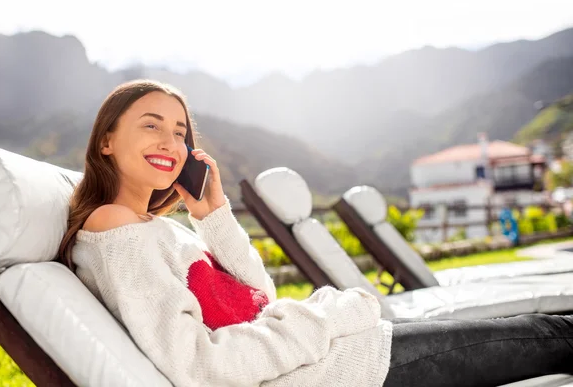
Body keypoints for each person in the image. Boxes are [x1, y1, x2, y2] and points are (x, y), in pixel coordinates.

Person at [58, 80, 573, 387]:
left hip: (337, 361)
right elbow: (198, 365)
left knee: (545, 331)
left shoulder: (157, 229)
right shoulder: (116, 229)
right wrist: (324, 320)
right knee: (548, 335)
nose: (170, 141)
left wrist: (213, 215)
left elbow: (259, 297)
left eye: (179, 131)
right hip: (335, 372)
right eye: (151, 125)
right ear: (106, 140)